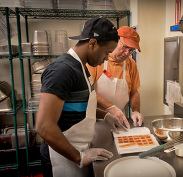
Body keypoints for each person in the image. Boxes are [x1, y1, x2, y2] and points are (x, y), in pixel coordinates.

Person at [35, 17, 127, 177]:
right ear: (92, 43)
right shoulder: (62, 71)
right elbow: (44, 127)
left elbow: (82, 105)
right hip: (61, 157)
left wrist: (106, 115)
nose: (106, 58)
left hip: (77, 149)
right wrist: (79, 157)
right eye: (106, 52)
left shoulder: (80, 67)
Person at [87, 26, 144, 129]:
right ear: (114, 41)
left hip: (119, 120)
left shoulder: (131, 64)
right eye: (125, 47)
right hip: (95, 121)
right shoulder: (96, 61)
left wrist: (135, 111)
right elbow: (88, 92)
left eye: (131, 50)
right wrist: (111, 108)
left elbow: (134, 92)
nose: (127, 53)